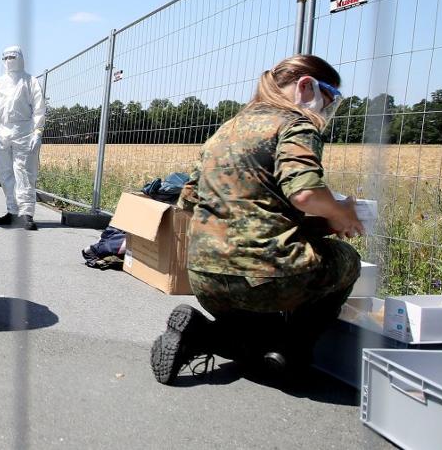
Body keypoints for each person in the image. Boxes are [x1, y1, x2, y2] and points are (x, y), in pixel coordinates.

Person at [150, 54, 364, 385]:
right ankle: (291, 352)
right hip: (269, 278)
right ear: (306, 86)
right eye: (329, 98)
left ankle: (202, 334)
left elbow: (189, 199)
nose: (326, 109)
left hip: (204, 277)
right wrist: (342, 214)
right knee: (347, 260)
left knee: (258, 323)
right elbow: (305, 193)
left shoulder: (226, 130)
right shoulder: (296, 123)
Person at [0, 45, 46, 231]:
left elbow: (39, 107)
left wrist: (37, 131)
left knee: (23, 172)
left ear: (20, 58)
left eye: (13, 56)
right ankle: (12, 210)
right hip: (1, 131)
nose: (10, 60)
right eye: (6, 57)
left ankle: (26, 213)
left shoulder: (30, 81)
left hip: (24, 131)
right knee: (5, 173)